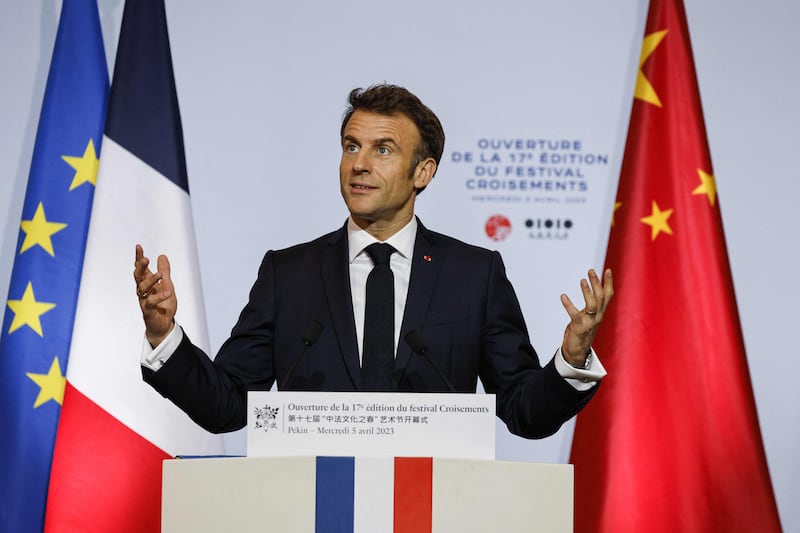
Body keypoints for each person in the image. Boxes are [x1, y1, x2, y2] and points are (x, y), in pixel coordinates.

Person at [134, 84, 613, 439]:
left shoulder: (474, 276)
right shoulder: (289, 274)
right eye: (351, 146)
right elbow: (229, 405)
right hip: (312, 506)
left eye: (382, 150)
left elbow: (523, 412)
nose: (359, 164)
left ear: (423, 172)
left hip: (435, 509)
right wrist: (163, 336)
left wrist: (570, 361)